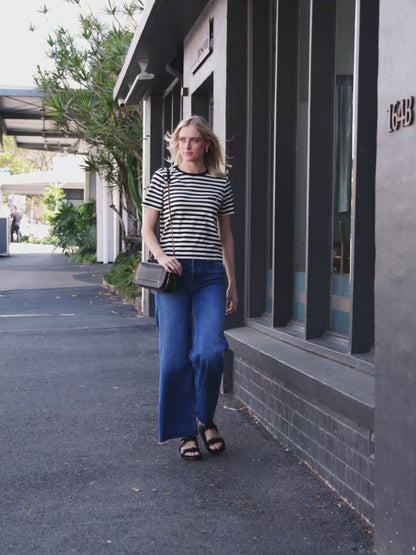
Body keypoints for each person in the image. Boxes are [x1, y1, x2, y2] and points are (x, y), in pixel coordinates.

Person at [141, 115, 238, 461]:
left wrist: (232, 284)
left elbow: (226, 237)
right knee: (173, 360)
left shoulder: (220, 183)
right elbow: (148, 230)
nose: (187, 146)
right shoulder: (163, 178)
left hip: (211, 275)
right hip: (174, 277)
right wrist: (163, 256)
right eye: (182, 140)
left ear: (206, 144)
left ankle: (206, 418)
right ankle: (186, 431)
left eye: (194, 140)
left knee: (211, 351)